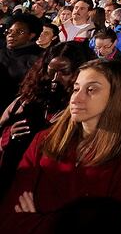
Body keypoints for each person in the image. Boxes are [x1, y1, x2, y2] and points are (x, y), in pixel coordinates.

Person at [0, 59, 121, 234]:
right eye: (76, 88)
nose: (76, 98)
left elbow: (113, 223)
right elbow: (8, 219)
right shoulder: (44, 139)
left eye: (91, 90)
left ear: (117, 95)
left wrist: (42, 221)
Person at [0, 42, 93, 196]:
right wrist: (7, 135)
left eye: (64, 72)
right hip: (13, 181)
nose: (55, 78)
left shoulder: (88, 108)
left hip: (55, 188)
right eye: (51, 71)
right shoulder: (26, 101)